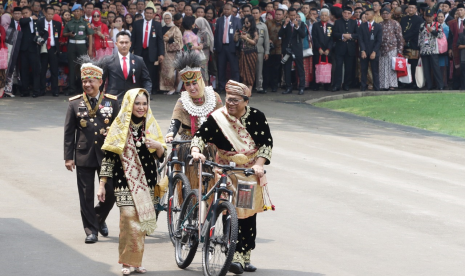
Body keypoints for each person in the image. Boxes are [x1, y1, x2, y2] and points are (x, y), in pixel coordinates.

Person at [190, 80, 273, 274]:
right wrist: (196, 150)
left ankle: (244, 255)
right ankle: (233, 253)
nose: (231, 104)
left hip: (248, 172)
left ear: (246, 101)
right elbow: (200, 136)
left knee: (246, 214)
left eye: (236, 100)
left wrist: (259, 165)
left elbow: (266, 144)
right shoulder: (218, 118)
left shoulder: (257, 117)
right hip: (225, 169)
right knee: (230, 210)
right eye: (229, 100)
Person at [98, 88, 166, 275]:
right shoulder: (119, 126)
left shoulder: (150, 124)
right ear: (129, 104)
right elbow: (109, 158)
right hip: (124, 181)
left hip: (148, 181)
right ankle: (127, 263)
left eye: (144, 103)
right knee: (128, 220)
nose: (141, 107)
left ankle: (136, 262)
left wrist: (158, 146)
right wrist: (102, 184)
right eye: (137, 103)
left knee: (142, 222)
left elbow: (161, 156)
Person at [64, 60, 120, 244]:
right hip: (84, 154)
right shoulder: (74, 104)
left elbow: (118, 130)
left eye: (91, 81)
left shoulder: (112, 102)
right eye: (84, 81)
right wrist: (68, 157)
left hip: (107, 155)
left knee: (111, 192)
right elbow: (69, 131)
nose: (87, 84)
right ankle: (91, 231)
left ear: (100, 82)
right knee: (86, 194)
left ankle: (98, 219)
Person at [165, 51, 222, 189]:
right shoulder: (182, 101)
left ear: (200, 81)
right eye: (187, 84)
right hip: (188, 147)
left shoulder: (214, 97)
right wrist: (170, 133)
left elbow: (223, 120)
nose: (191, 87)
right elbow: (175, 121)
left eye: (194, 83)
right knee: (192, 187)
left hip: (211, 148)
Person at [101, 31, 152, 103]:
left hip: (133, 99)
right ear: (116, 44)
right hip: (113, 99)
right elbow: (101, 81)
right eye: (121, 43)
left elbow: (146, 80)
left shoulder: (139, 60)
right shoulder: (108, 60)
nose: (124, 45)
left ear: (130, 44)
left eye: (126, 42)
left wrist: (146, 95)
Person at [130, 5, 164, 96]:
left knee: (150, 72)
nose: (148, 15)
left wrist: (161, 54)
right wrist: (129, 51)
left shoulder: (157, 25)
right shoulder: (137, 23)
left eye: (150, 13)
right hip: (139, 51)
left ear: (153, 15)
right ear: (144, 13)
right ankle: (138, 90)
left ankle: (149, 92)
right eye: (147, 13)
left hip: (151, 52)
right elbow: (133, 39)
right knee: (138, 71)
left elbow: (160, 40)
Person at [63, 3, 94, 96]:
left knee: (83, 67)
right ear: (72, 13)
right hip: (72, 45)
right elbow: (64, 33)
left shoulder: (85, 22)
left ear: (81, 12)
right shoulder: (70, 22)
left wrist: (90, 49)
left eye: (78, 11)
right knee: (72, 67)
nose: (77, 13)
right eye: (75, 11)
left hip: (82, 46)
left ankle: (83, 88)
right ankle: (72, 88)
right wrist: (69, 34)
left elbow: (90, 35)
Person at [19, 6, 47, 98]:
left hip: (34, 49)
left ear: (30, 12)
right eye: (23, 13)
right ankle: (25, 90)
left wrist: (42, 39)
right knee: (24, 71)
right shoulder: (24, 21)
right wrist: (30, 18)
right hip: (24, 49)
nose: (24, 15)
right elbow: (22, 22)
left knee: (36, 71)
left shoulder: (38, 21)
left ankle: (36, 90)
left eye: (26, 12)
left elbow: (44, 32)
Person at [214, 3, 242, 92]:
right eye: (224, 9)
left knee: (234, 68)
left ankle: (235, 87)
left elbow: (240, 33)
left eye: (228, 9)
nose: (226, 11)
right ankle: (222, 87)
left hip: (232, 47)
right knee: (221, 68)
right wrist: (216, 46)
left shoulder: (236, 20)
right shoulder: (219, 20)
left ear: (231, 10)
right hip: (221, 47)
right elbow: (217, 34)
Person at [279, 8, 306, 95]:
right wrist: (284, 25)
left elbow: (303, 35)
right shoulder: (285, 23)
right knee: (287, 69)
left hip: (297, 49)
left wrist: (297, 26)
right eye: (291, 15)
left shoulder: (301, 24)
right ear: (288, 15)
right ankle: (288, 87)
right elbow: (279, 35)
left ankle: (301, 87)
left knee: (300, 68)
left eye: (294, 15)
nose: (293, 17)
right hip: (287, 49)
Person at [332, 6, 358, 92]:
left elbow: (357, 34)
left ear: (351, 14)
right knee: (338, 67)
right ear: (342, 13)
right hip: (340, 48)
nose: (346, 15)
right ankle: (337, 85)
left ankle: (346, 84)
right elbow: (334, 33)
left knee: (349, 68)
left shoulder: (354, 22)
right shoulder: (338, 22)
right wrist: (342, 35)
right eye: (345, 13)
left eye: (348, 13)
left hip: (350, 48)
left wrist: (350, 36)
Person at [418, 9, 443, 90]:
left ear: (433, 17)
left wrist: (432, 31)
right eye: (427, 16)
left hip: (433, 50)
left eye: (430, 16)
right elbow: (419, 38)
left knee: (436, 68)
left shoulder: (437, 24)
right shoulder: (422, 25)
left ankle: (440, 85)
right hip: (424, 50)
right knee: (426, 69)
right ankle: (429, 85)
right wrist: (419, 49)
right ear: (425, 17)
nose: (428, 18)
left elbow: (440, 35)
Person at [358, 8, 382, 91]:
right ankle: (363, 87)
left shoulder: (378, 26)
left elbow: (379, 41)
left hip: (374, 51)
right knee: (363, 70)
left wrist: (374, 51)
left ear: (372, 15)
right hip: (364, 51)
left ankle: (376, 87)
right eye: (365, 14)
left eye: (367, 14)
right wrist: (363, 50)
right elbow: (360, 39)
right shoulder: (362, 26)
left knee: (375, 70)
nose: (366, 16)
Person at [379, 7, 403, 91]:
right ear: (381, 15)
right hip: (382, 49)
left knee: (392, 67)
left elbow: (400, 37)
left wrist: (400, 51)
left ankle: (392, 85)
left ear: (390, 14)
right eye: (383, 13)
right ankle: (383, 85)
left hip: (392, 48)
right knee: (382, 67)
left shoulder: (395, 23)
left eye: (387, 13)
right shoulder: (379, 24)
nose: (385, 15)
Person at [400, 0, 423, 89]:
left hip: (414, 45)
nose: (410, 9)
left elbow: (416, 31)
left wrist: (404, 38)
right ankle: (406, 82)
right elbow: (401, 30)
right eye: (409, 7)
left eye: (412, 8)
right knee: (405, 65)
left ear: (416, 9)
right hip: (404, 45)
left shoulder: (419, 19)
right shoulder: (403, 19)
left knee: (413, 65)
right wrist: (402, 39)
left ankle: (414, 82)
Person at [39, 6, 61, 97]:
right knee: (42, 70)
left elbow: (57, 36)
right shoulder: (40, 22)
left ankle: (55, 90)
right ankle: (41, 89)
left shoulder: (57, 24)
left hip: (53, 49)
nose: (50, 16)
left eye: (52, 14)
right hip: (43, 48)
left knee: (54, 70)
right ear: (45, 13)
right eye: (49, 14)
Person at [160, 11, 182, 94]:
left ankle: (172, 88)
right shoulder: (162, 28)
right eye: (165, 18)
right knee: (163, 71)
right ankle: (165, 88)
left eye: (168, 18)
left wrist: (169, 40)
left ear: (171, 18)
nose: (167, 20)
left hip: (172, 53)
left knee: (170, 71)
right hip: (163, 52)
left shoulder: (175, 28)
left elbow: (179, 40)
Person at [312, 8, 333, 92]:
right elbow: (315, 38)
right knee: (317, 67)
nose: (324, 17)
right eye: (322, 15)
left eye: (325, 15)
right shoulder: (316, 25)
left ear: (328, 17)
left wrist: (328, 49)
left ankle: (327, 85)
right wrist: (319, 48)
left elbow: (331, 39)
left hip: (328, 50)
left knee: (327, 67)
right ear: (320, 16)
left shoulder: (331, 26)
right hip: (318, 50)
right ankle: (316, 84)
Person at [4, 7, 23, 98]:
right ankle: (8, 89)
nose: (17, 15)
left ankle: (19, 88)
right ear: (12, 14)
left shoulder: (24, 23)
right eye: (15, 13)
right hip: (11, 49)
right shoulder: (9, 24)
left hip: (22, 50)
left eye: (19, 13)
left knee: (19, 70)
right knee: (10, 68)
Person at [263, 8, 283, 92]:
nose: (278, 16)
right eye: (277, 14)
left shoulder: (284, 24)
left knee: (276, 69)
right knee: (267, 68)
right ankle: (265, 85)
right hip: (268, 48)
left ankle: (274, 86)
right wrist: (267, 40)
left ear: (283, 15)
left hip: (279, 49)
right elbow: (263, 33)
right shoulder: (268, 22)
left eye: (280, 14)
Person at [252, 7, 269, 94]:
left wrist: (267, 52)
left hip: (260, 50)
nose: (255, 15)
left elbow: (266, 40)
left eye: (256, 13)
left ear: (259, 14)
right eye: (253, 13)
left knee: (259, 69)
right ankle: (250, 86)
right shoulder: (248, 24)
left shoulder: (263, 25)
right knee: (250, 69)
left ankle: (259, 86)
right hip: (250, 50)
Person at [448, 3, 465, 90]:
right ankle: (456, 86)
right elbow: (450, 37)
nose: (459, 11)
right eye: (458, 10)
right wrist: (450, 48)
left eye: (461, 10)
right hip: (455, 47)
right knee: (456, 67)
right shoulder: (453, 23)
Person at [195, 17, 214, 84]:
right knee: (200, 69)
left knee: (204, 69)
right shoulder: (200, 31)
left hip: (204, 54)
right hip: (199, 53)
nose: (196, 26)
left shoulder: (205, 32)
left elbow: (208, 43)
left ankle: (206, 85)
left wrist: (200, 45)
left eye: (197, 24)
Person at [437, 12, 449, 89]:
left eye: (442, 16)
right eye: (439, 17)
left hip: (444, 50)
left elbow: (447, 39)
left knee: (443, 67)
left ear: (444, 17)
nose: (440, 18)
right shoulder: (435, 26)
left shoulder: (446, 27)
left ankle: (444, 84)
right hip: (436, 49)